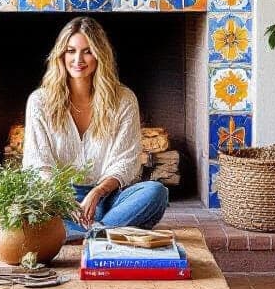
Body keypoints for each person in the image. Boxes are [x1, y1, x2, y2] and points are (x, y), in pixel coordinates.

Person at [22, 16, 169, 241]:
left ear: (100, 55)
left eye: (87, 51)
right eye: (71, 51)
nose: (78, 59)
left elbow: (126, 162)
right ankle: (106, 232)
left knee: (156, 193)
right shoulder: (39, 101)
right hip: (58, 200)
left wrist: (98, 192)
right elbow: (38, 164)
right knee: (28, 205)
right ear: (61, 55)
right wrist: (62, 198)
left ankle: (84, 234)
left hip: (107, 198)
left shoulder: (124, 99)